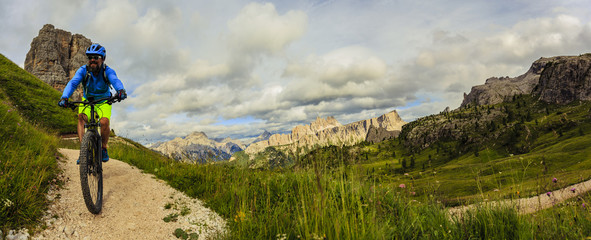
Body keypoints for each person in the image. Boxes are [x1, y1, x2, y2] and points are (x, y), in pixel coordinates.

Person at [58, 43, 127, 163]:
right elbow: (73, 83)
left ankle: (104, 148)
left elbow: (115, 80)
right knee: (81, 117)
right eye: (90, 58)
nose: (92, 60)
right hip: (87, 100)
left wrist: (120, 90)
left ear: (103, 59)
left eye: (96, 57)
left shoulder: (107, 71)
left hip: (104, 100)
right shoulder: (83, 70)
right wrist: (64, 97)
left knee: (104, 121)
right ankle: (84, 151)